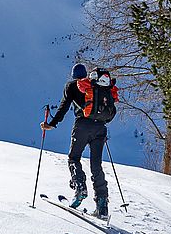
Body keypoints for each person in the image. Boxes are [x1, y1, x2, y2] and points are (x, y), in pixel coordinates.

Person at [42, 63, 118, 218]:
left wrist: (51, 124)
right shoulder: (95, 86)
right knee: (96, 165)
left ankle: (80, 188)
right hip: (100, 128)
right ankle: (102, 205)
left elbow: (63, 107)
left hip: (82, 126)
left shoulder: (72, 86)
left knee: (73, 158)